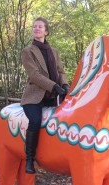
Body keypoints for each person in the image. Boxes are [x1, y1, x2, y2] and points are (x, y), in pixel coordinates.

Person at [21, 17, 69, 174]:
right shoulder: (28, 51)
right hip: (34, 95)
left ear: (46, 31)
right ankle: (29, 159)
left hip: (53, 95)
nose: (36, 28)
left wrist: (64, 84)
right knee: (35, 120)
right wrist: (53, 85)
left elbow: (61, 71)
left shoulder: (54, 52)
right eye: (34, 26)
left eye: (40, 26)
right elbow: (34, 75)